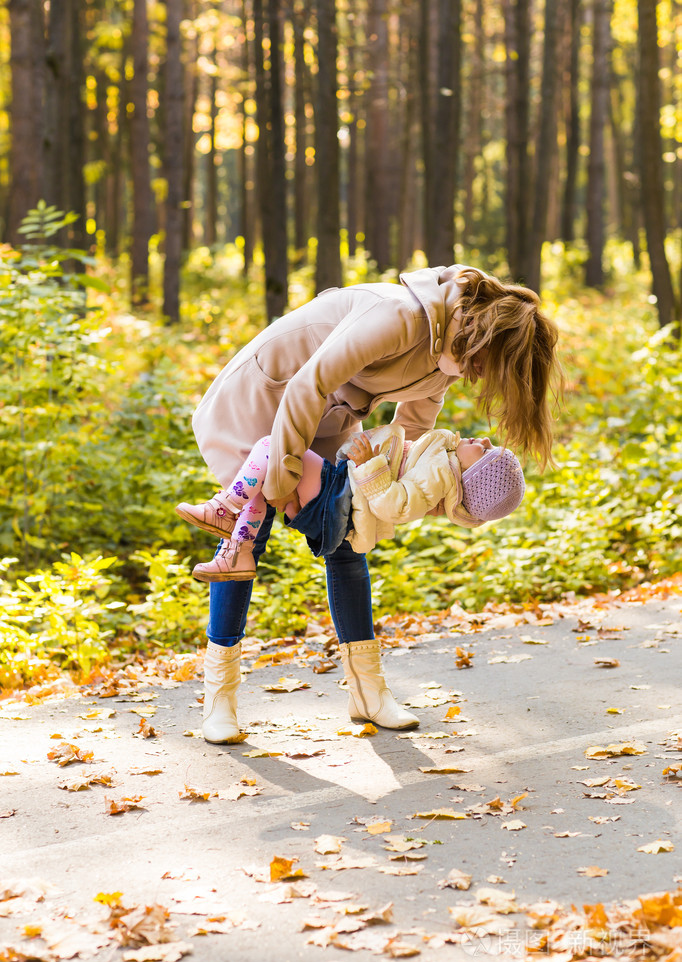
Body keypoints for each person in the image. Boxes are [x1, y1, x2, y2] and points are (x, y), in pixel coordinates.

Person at [186, 264, 560, 745]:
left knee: (348, 542)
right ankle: (220, 699)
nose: (485, 377)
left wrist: (403, 494)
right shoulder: (400, 317)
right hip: (269, 397)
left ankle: (368, 691)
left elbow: (413, 436)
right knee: (245, 539)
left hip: (325, 414)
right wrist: (281, 477)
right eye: (495, 364)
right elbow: (306, 384)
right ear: (485, 334)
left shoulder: (448, 355)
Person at [176, 429, 525, 582]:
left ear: (470, 475)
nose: (483, 439)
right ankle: (239, 552)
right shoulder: (440, 463)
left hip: (338, 495)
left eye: (485, 451)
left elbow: (395, 506)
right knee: (267, 485)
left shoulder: (440, 475)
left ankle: (223, 509)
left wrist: (371, 464)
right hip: (340, 496)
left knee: (273, 447)